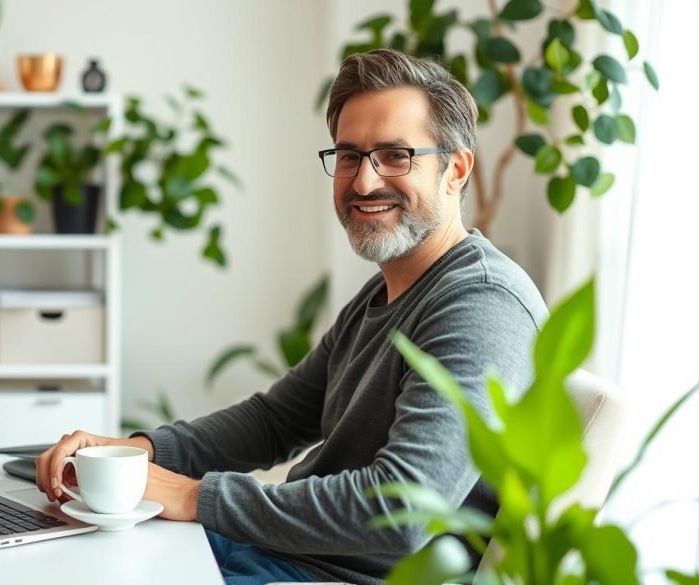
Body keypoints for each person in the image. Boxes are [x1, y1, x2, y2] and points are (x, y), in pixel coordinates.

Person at [36, 48, 548, 585]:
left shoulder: (481, 303)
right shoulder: (387, 291)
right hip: (282, 556)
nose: (365, 182)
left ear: (455, 169)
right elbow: (274, 421)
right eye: (349, 156)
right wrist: (135, 453)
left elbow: (407, 509)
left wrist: (190, 495)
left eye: (396, 155)